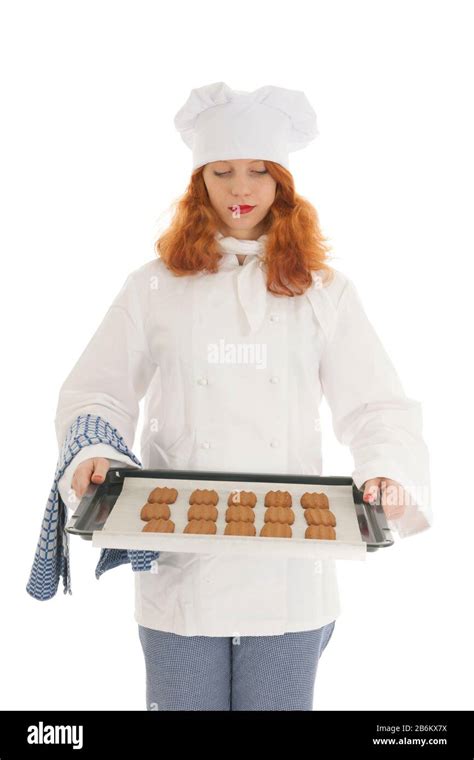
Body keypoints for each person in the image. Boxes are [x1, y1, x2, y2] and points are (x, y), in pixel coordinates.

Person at [51, 82, 431, 711]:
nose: (241, 188)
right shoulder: (152, 288)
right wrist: (95, 455)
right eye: (221, 171)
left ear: (283, 182)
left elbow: (377, 407)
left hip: (291, 569)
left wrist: (385, 470)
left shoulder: (323, 292)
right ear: (199, 183)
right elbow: (97, 391)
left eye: (259, 170)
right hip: (180, 561)